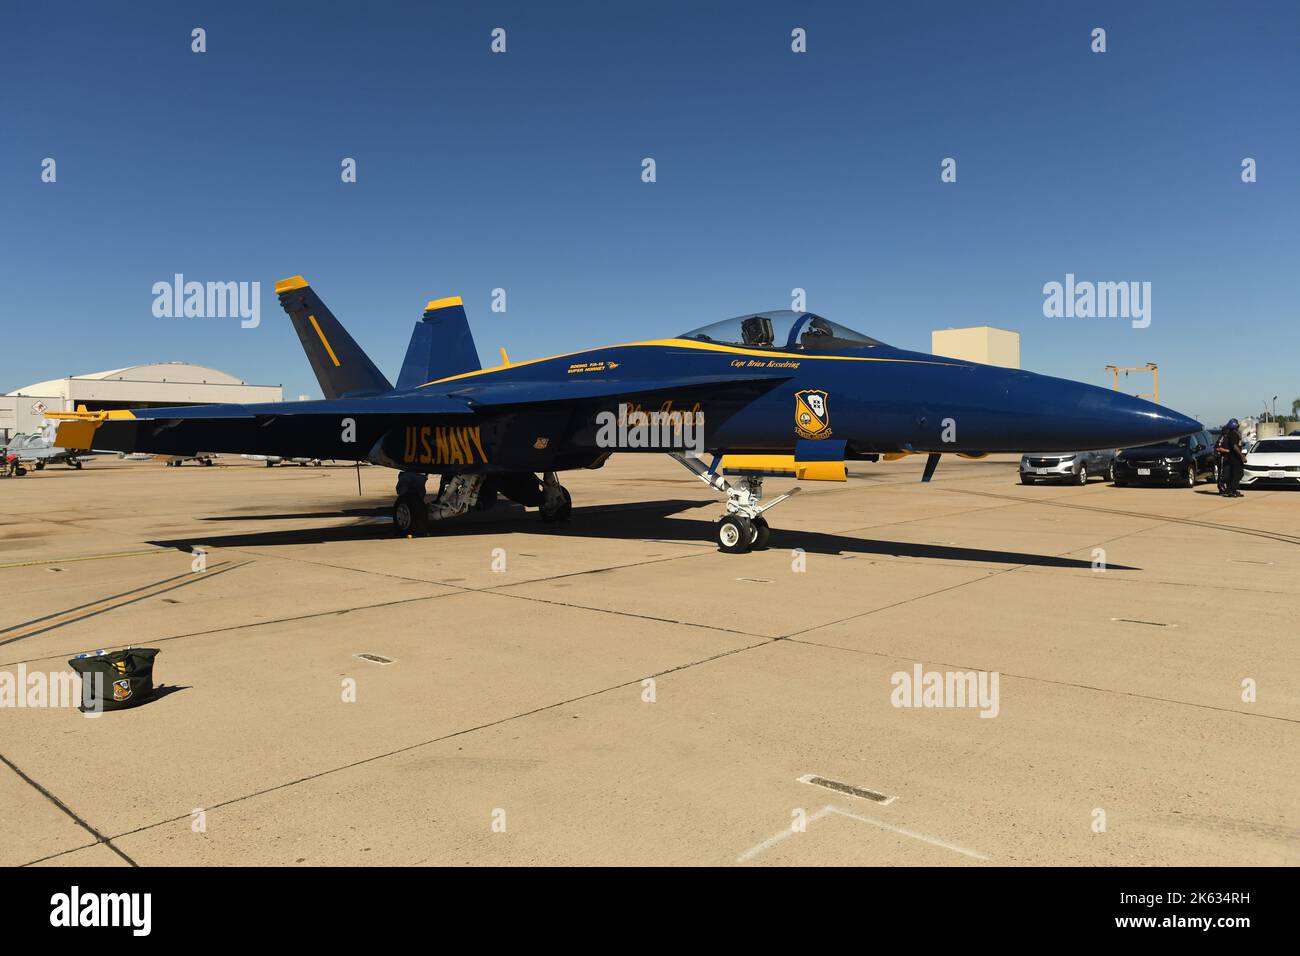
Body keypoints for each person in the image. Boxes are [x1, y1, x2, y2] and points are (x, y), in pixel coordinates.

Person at [1219, 419, 1247, 497]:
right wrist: (1242, 456)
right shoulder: (1233, 434)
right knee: (1237, 474)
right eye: (1237, 425)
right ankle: (1230, 490)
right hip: (1234, 457)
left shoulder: (1234, 433)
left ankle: (1233, 490)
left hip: (1235, 457)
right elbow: (1234, 446)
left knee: (1238, 474)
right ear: (1235, 425)